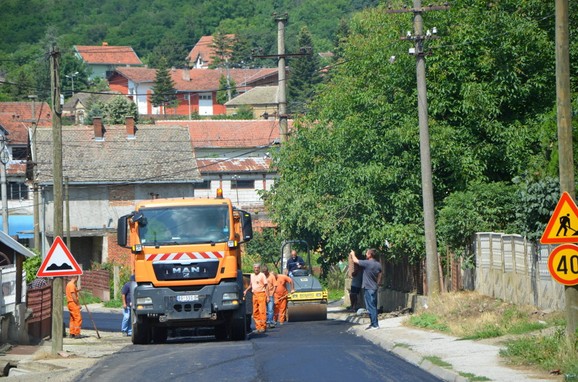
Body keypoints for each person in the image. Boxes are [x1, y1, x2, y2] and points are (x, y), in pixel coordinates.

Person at [351, 248, 382, 330]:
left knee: (371, 306)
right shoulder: (378, 264)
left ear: (370, 255)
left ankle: (375, 325)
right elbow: (380, 274)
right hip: (374, 287)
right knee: (372, 306)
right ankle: (373, 324)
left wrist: (353, 253)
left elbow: (355, 261)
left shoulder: (367, 263)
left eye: (367, 253)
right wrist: (378, 283)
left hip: (368, 287)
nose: (366, 254)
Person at [243, 263, 269, 333]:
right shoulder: (252, 276)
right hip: (254, 295)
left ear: (259, 268)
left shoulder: (262, 275)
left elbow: (266, 286)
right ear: (253, 268)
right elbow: (251, 285)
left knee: (262, 311)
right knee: (255, 312)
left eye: (257, 268)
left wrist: (268, 296)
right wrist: (246, 290)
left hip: (261, 294)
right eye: (255, 267)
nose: (256, 269)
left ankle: (263, 326)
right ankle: (258, 327)